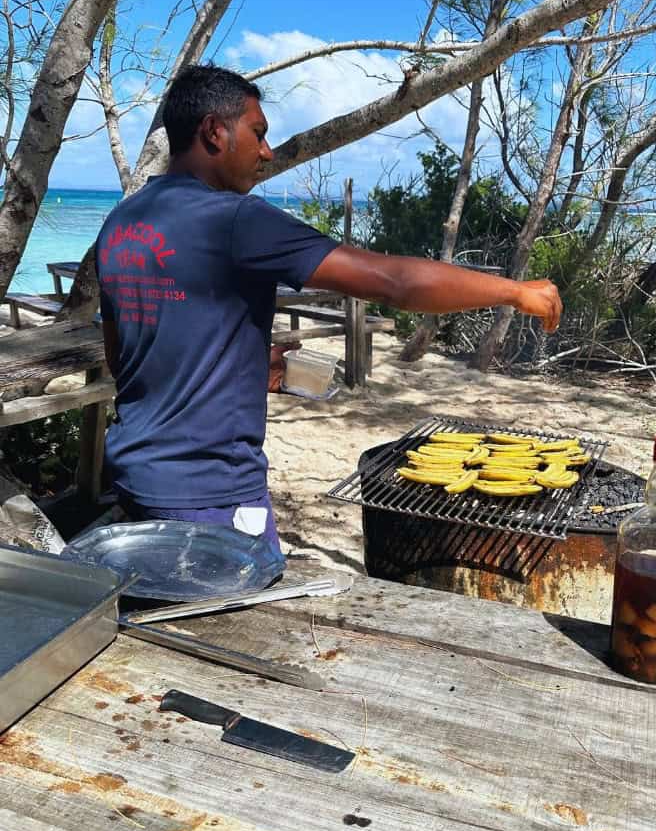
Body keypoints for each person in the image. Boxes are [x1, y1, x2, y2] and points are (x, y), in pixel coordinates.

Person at [96, 64, 562, 555]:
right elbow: (393, 282)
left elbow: (124, 354)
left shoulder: (123, 220)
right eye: (257, 134)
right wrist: (513, 291)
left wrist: (239, 363)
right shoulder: (236, 219)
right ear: (214, 132)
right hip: (209, 492)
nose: (266, 152)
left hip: (133, 473)